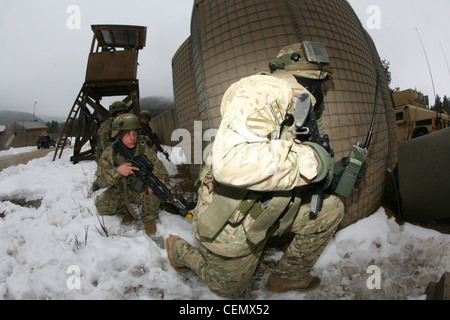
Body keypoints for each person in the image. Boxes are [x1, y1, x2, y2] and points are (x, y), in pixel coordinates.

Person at [165, 43, 346, 297]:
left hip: (272, 208)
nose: (321, 91)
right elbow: (229, 163)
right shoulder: (269, 89)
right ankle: (179, 250)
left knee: (331, 210)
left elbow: (289, 160)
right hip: (232, 222)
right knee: (229, 290)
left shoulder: (298, 106)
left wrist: (334, 172)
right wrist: (312, 162)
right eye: (320, 83)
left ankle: (287, 277)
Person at [95, 113, 168, 236]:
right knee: (101, 205)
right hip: (120, 191)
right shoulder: (110, 153)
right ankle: (126, 210)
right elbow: (100, 181)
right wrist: (117, 172)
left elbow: (161, 171)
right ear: (119, 134)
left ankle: (149, 219)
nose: (132, 137)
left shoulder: (144, 149)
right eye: (127, 134)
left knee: (156, 189)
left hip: (141, 191)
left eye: (134, 133)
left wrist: (159, 180)